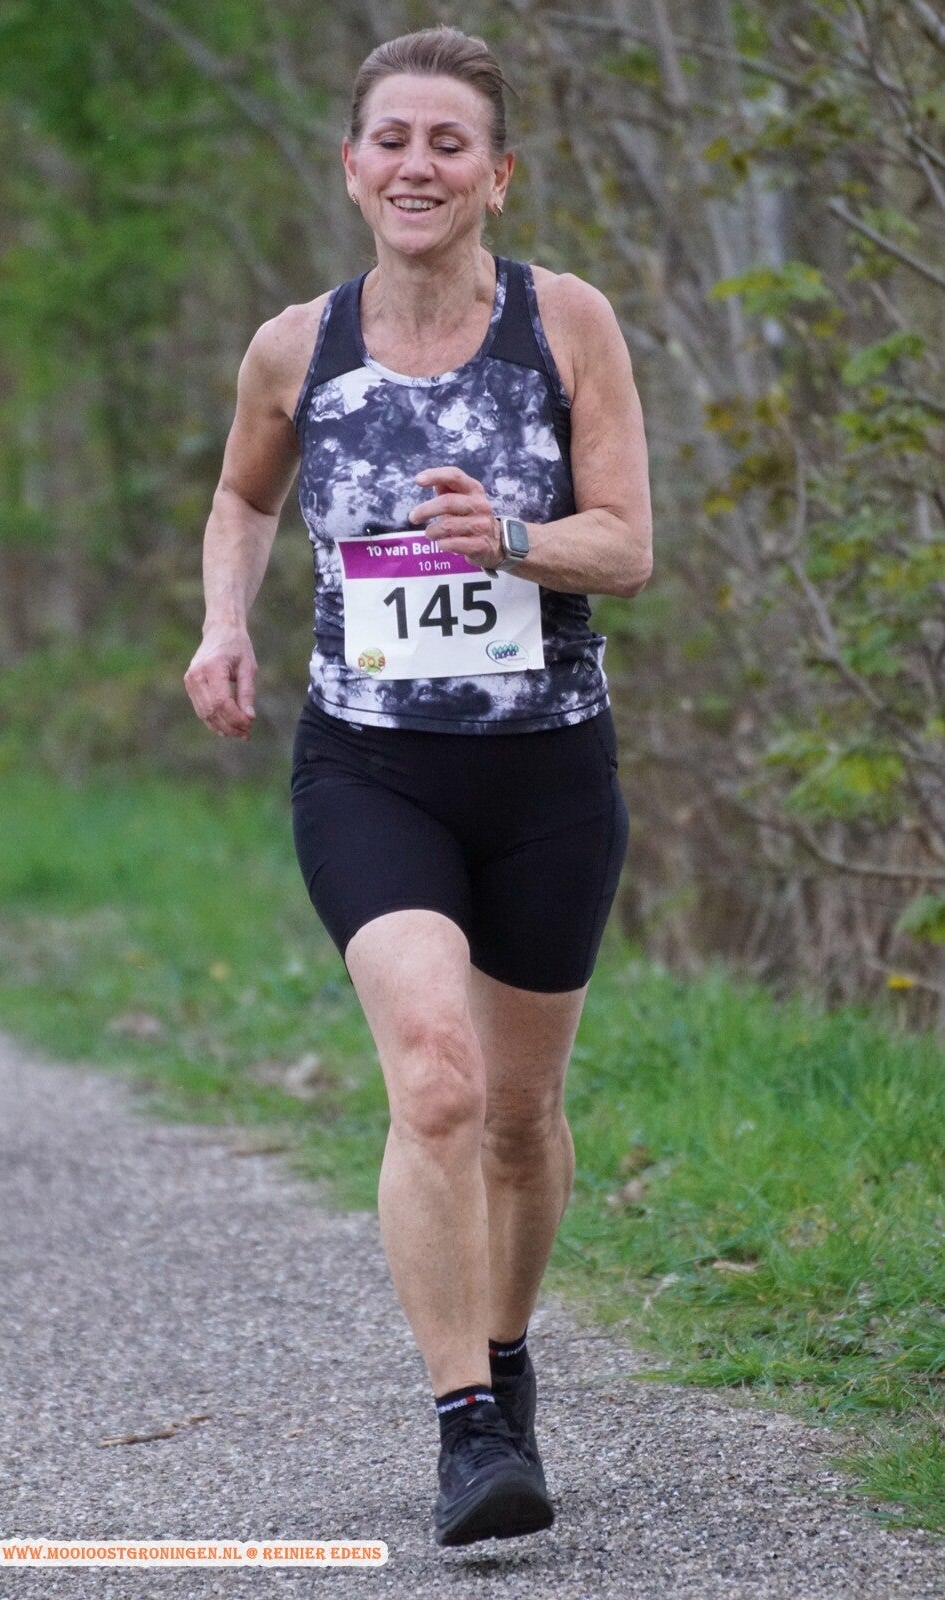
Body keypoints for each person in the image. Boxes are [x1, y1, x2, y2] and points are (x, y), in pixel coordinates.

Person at [184, 25, 652, 1548]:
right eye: (392, 138)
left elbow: (627, 546)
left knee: (519, 1116)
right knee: (437, 1079)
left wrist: (508, 538)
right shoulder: (294, 347)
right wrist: (222, 625)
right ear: (350, 166)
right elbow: (242, 495)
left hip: (547, 769)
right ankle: (465, 1428)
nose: (417, 166)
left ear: (496, 176)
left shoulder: (563, 322)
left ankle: (505, 1360)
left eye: (450, 143)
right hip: (371, 767)